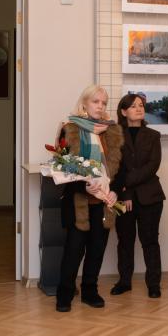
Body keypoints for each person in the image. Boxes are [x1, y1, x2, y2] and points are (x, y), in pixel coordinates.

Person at [56, 85, 124, 313]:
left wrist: (115, 191)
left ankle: (89, 291)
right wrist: (84, 185)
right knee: (74, 250)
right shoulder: (70, 129)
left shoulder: (112, 131)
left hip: (104, 203)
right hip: (78, 202)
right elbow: (62, 167)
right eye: (96, 102)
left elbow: (120, 168)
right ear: (84, 103)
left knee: (97, 250)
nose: (100, 106)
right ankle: (64, 294)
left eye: (104, 103)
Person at [111, 93, 165, 298]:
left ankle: (154, 284)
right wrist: (125, 192)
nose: (139, 108)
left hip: (150, 197)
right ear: (124, 111)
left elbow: (152, 166)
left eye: (141, 105)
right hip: (122, 197)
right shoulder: (114, 136)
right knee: (125, 242)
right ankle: (124, 282)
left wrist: (127, 184)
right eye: (133, 106)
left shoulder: (153, 135)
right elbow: (115, 167)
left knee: (150, 242)